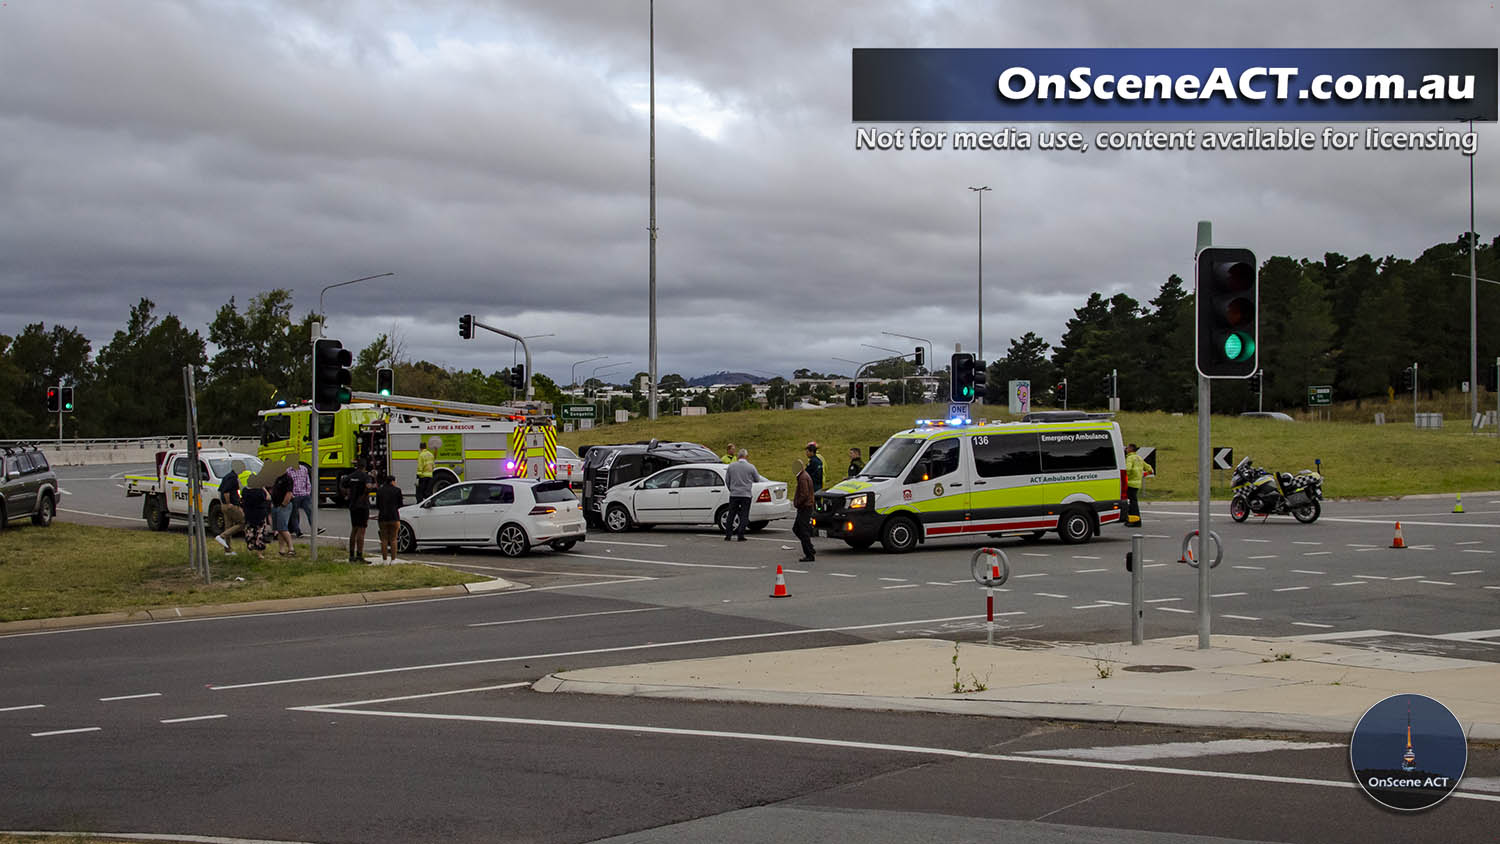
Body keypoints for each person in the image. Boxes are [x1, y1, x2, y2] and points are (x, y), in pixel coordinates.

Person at [213, 459, 245, 555]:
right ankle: (222, 536)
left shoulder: (227, 476)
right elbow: (226, 491)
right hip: (231, 505)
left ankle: (227, 550)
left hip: (224, 505)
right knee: (243, 522)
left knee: (228, 526)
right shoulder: (232, 478)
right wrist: (229, 503)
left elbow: (220, 490)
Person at [723, 448, 756, 542]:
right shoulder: (751, 467)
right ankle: (740, 535)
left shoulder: (731, 466)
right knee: (744, 515)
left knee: (731, 514)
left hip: (734, 494)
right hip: (746, 494)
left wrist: (731, 489)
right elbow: (757, 479)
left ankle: (728, 535)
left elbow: (727, 480)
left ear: (738, 456)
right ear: (746, 456)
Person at [343, 461, 373, 562]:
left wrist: (347, 495)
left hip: (353, 505)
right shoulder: (366, 476)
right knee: (362, 530)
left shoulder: (351, 476)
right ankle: (359, 555)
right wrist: (366, 493)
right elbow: (369, 487)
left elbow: (343, 484)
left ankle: (351, 555)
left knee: (354, 529)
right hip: (363, 506)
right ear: (364, 467)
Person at [376, 473, 404, 562]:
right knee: (393, 539)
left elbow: (377, 505)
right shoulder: (397, 490)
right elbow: (400, 504)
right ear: (392, 481)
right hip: (394, 517)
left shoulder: (380, 490)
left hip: (382, 517)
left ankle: (384, 560)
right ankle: (393, 559)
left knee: (384, 539)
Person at [241, 478, 272, 560]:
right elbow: (268, 497)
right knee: (259, 533)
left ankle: (250, 547)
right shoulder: (260, 491)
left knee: (250, 531)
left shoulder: (245, 491)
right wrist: (263, 488)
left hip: (249, 514)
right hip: (260, 514)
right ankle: (259, 553)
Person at [792, 459, 816, 563]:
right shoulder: (804, 476)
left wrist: (797, 503)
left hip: (804, 507)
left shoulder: (802, 478)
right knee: (797, 528)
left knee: (802, 530)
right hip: (806, 506)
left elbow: (804, 494)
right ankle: (810, 548)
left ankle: (809, 553)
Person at [1123, 443, 1153, 526]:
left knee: (1131, 503)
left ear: (1131, 449)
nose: (1126, 449)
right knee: (1133, 502)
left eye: (1127, 448)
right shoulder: (1139, 458)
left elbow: (1127, 469)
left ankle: (1135, 521)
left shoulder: (1130, 458)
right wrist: (1143, 474)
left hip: (1130, 483)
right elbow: (1150, 469)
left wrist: (1124, 478)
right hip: (1137, 484)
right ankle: (1132, 520)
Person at [271, 467, 295, 557]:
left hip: (283, 506)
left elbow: (289, 493)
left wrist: (284, 504)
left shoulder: (287, 479)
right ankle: (281, 549)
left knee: (283, 527)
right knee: (278, 528)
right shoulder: (277, 478)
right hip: (276, 505)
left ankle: (291, 548)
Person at [286, 462, 314, 537]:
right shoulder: (288, 471)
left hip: (304, 495)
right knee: (295, 514)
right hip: (295, 496)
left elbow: (307, 481)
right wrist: (291, 494)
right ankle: (297, 531)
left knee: (310, 511)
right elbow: (288, 483)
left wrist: (308, 492)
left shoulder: (304, 469)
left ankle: (314, 528)